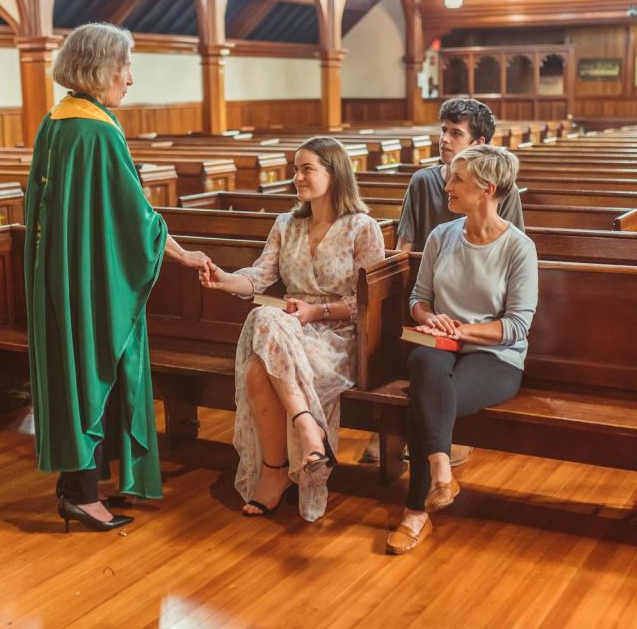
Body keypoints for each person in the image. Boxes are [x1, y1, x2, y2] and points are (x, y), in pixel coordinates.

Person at [25, 23, 209, 533]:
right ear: (101, 68)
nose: (130, 78)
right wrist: (182, 254)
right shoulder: (97, 130)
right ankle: (82, 496)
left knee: (74, 368)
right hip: (92, 282)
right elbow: (136, 217)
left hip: (62, 275)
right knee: (95, 367)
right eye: (125, 66)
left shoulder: (57, 120)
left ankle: (74, 486)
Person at [199, 136, 386, 521]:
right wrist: (224, 279)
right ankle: (303, 437)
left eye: (306, 169)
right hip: (288, 331)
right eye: (295, 169)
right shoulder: (286, 224)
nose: (296, 177)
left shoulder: (363, 228)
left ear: (334, 174)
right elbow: (259, 277)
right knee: (265, 320)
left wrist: (317, 313)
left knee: (260, 352)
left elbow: (369, 304)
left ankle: (279, 467)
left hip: (337, 338)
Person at [386, 144, 538, 554]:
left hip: (495, 357)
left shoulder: (518, 247)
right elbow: (419, 298)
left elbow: (517, 325)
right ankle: (441, 471)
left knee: (429, 396)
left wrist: (465, 330)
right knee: (425, 364)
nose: (447, 185)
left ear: (486, 189)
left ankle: (417, 511)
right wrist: (429, 317)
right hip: (439, 343)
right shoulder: (441, 235)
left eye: (457, 180)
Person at [360, 97, 525, 466]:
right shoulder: (422, 181)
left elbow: (506, 243)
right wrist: (415, 303)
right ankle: (409, 430)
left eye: (455, 133)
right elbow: (403, 248)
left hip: (478, 299)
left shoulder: (503, 190)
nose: (444, 140)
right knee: (406, 336)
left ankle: (443, 430)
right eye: (442, 131)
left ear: (480, 142)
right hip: (429, 290)